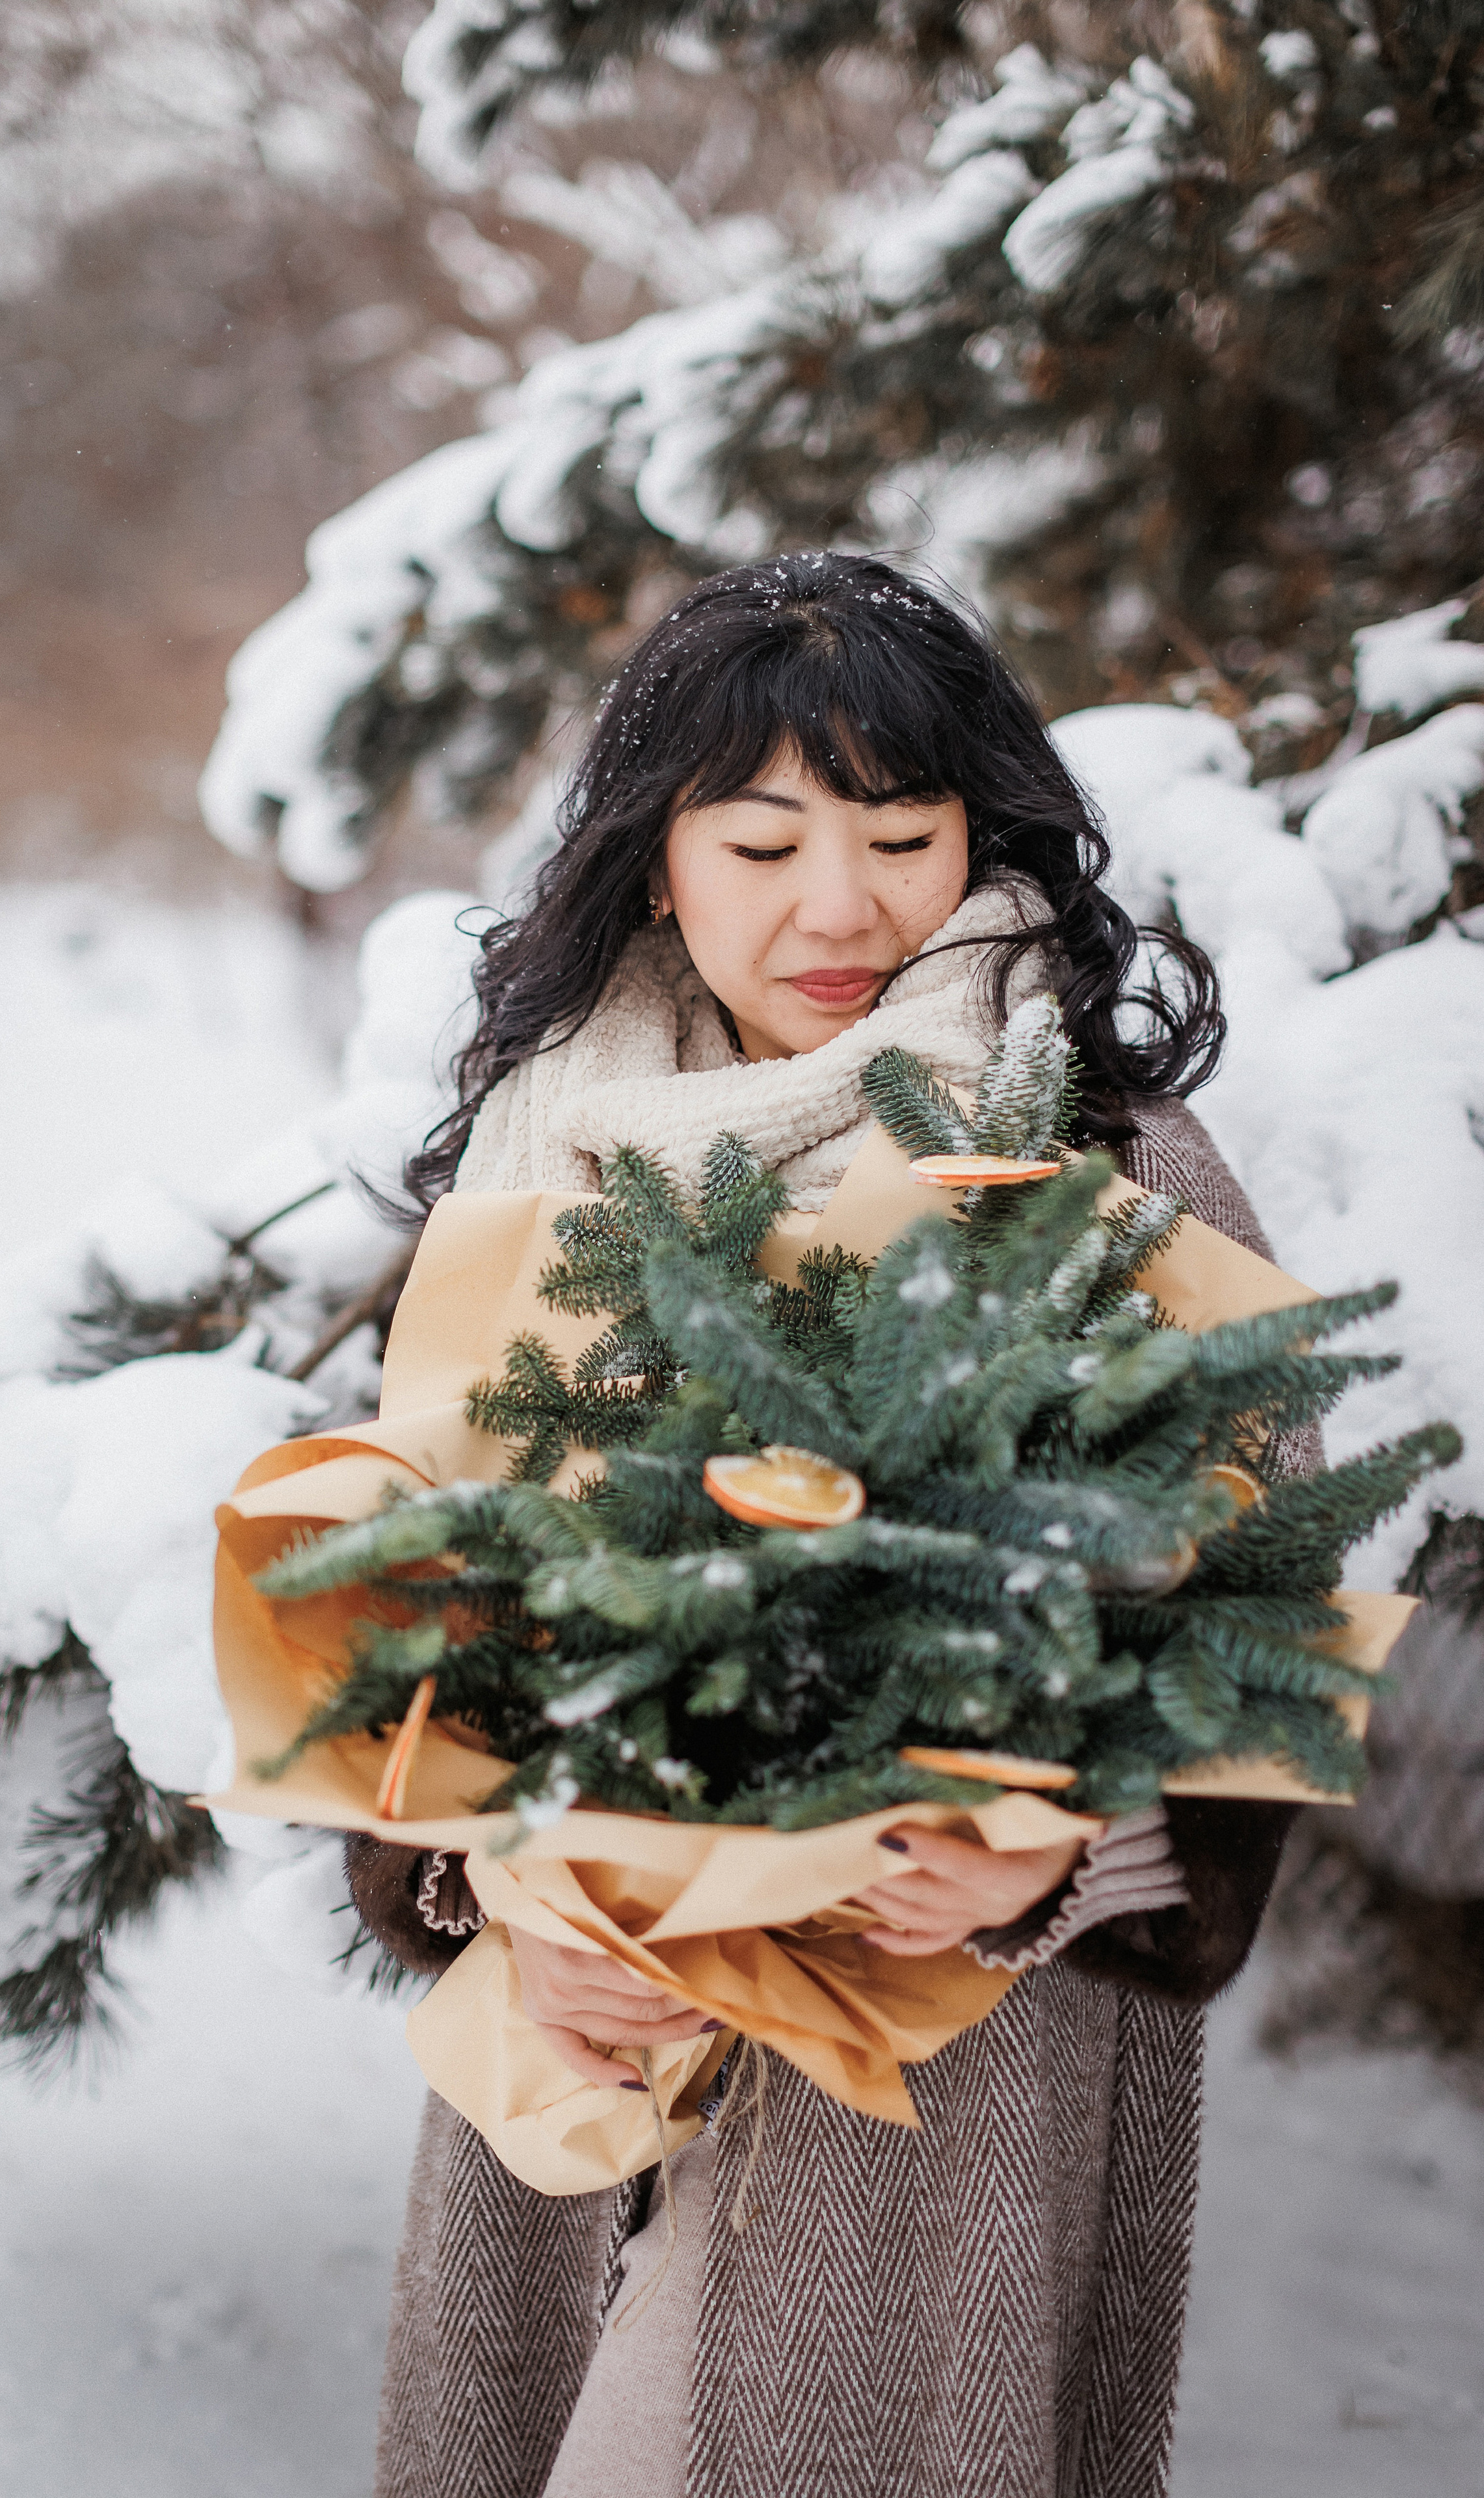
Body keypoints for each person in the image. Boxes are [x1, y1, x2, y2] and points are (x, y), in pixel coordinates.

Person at [347, 554, 1303, 2498]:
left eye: (903, 830)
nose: (843, 903)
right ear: (656, 855)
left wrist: (1059, 1857)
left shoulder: (1101, 1157)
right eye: (765, 837)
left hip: (943, 2086)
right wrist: (496, 1898)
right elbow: (404, 1604)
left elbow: (1267, 1605)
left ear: (988, 836)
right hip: (590, 2045)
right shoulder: (546, 1144)